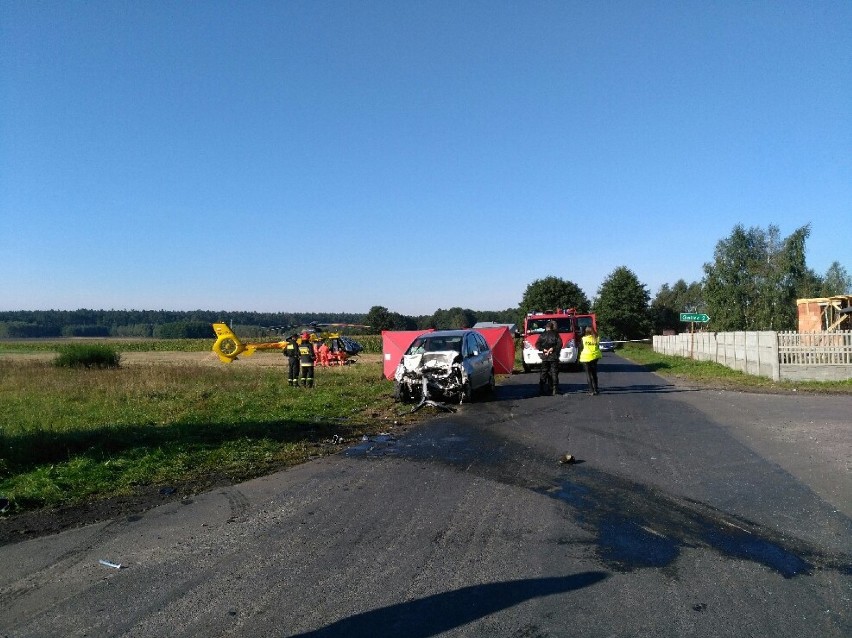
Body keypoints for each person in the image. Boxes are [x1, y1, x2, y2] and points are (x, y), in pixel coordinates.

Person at [537, 320, 563, 396]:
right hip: (553, 356)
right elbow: (560, 344)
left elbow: (537, 344)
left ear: (546, 327)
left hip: (545, 356)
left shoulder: (542, 335)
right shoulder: (556, 334)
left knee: (544, 372)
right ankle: (555, 389)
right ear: (552, 327)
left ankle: (541, 388)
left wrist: (543, 349)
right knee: (554, 372)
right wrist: (553, 349)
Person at [579, 326, 602, 395]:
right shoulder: (597, 338)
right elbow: (597, 346)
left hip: (586, 357)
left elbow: (581, 348)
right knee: (594, 374)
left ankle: (591, 390)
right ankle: (596, 389)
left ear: (586, 332)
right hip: (595, 357)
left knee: (588, 374)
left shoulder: (583, 339)